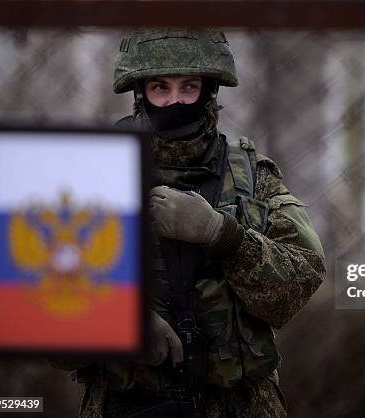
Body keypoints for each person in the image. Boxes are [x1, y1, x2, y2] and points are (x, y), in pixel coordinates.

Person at [53, 29, 325, 418]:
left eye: (189, 87)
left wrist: (223, 235)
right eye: (160, 87)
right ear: (140, 92)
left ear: (210, 91)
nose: (175, 101)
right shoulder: (93, 173)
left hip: (240, 406)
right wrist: (118, 320)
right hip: (125, 405)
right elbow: (40, 298)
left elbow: (301, 279)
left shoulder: (250, 176)